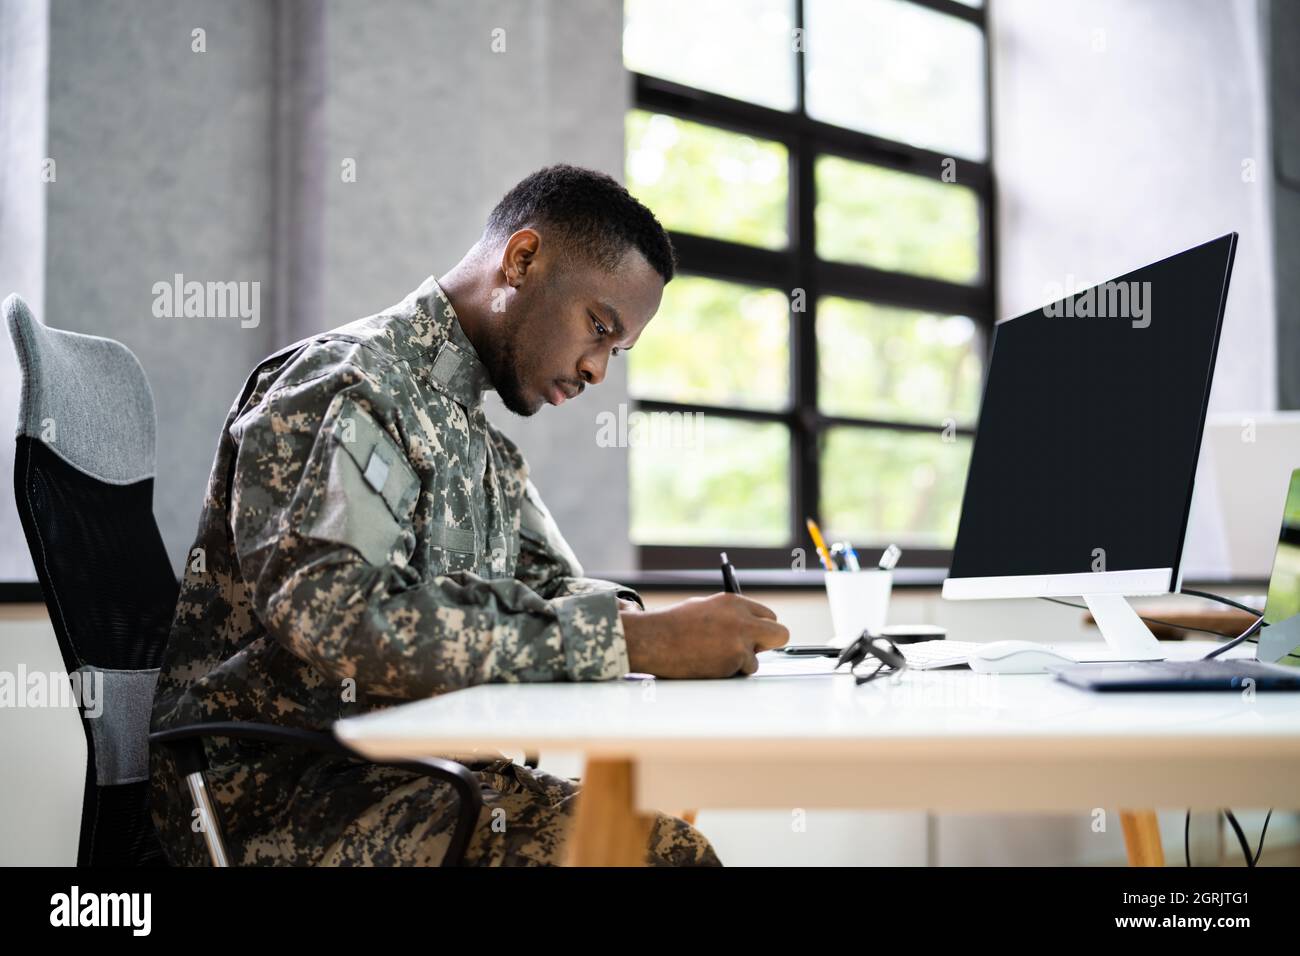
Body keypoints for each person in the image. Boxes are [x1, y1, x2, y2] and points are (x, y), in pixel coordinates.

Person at [150, 164, 789, 866]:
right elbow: (338, 616)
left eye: (618, 351)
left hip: (416, 776)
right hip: (285, 801)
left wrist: (658, 628)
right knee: (658, 855)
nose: (599, 371)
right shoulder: (351, 385)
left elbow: (555, 588)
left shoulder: (480, 445)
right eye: (599, 329)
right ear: (522, 260)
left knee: (657, 841)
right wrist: (632, 643)